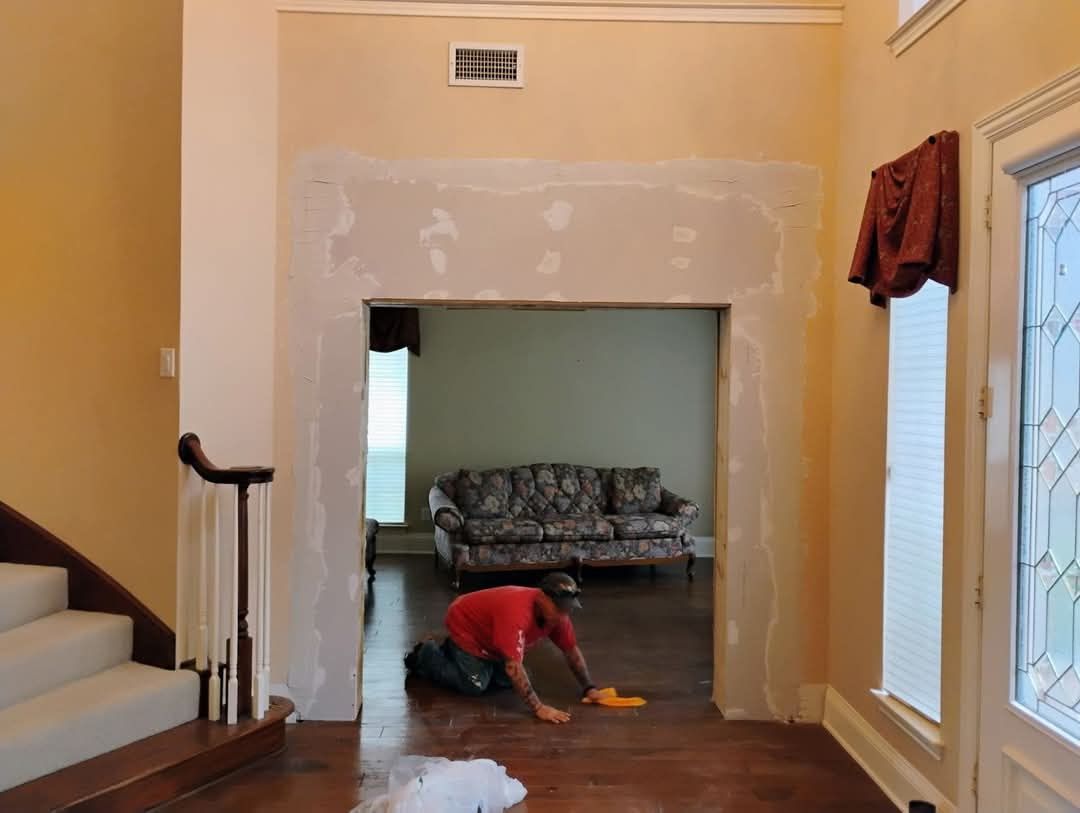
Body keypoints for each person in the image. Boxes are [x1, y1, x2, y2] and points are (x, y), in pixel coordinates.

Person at [404, 572, 605, 723]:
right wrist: (539, 708)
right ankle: (427, 654)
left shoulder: (558, 616)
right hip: (466, 623)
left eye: (567, 609)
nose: (563, 615)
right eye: (559, 608)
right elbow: (513, 667)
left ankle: (456, 655)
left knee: (514, 680)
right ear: (542, 597)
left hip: (493, 633)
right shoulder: (516, 614)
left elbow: (571, 651)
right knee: (475, 686)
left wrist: (589, 688)